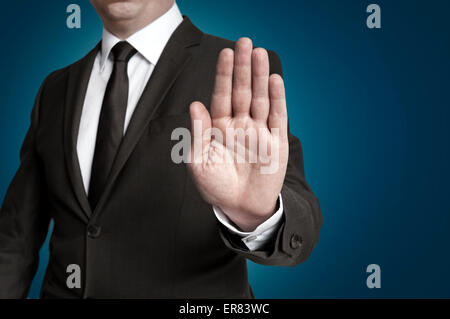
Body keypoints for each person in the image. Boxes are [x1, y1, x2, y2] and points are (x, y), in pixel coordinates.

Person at [0, 0, 322, 298]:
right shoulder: (54, 88)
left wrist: (256, 216)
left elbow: (300, 231)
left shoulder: (239, 69)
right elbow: (16, 237)